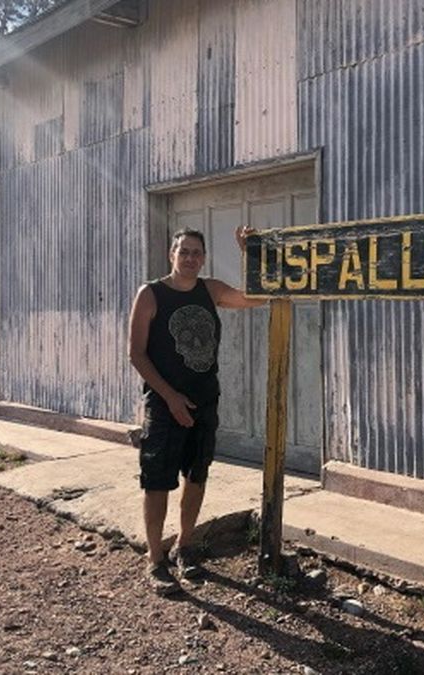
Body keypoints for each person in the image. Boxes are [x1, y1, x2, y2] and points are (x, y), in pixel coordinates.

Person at [127, 226, 264, 595]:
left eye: (196, 252)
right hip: (163, 402)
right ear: (172, 255)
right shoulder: (151, 294)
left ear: (203, 257)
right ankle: (155, 559)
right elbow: (136, 354)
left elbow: (257, 297)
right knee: (157, 481)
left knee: (197, 475)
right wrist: (170, 397)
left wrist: (250, 252)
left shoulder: (211, 290)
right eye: (183, 251)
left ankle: (185, 548)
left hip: (205, 400)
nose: (190, 258)